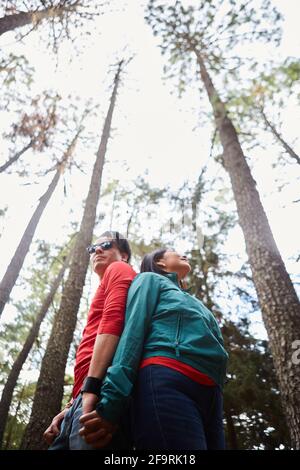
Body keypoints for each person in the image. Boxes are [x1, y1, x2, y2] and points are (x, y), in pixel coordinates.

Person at [79, 247, 229, 450]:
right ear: (159, 262)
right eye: (175, 251)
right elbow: (132, 334)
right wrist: (112, 403)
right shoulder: (148, 280)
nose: (183, 253)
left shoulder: (194, 301)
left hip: (212, 393)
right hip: (166, 380)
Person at [43, 230, 136, 450]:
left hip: (100, 392)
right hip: (81, 400)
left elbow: (115, 322)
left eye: (106, 245)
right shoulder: (104, 285)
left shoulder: (118, 268)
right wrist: (70, 406)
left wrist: (92, 390)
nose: (97, 250)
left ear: (123, 255)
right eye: (93, 248)